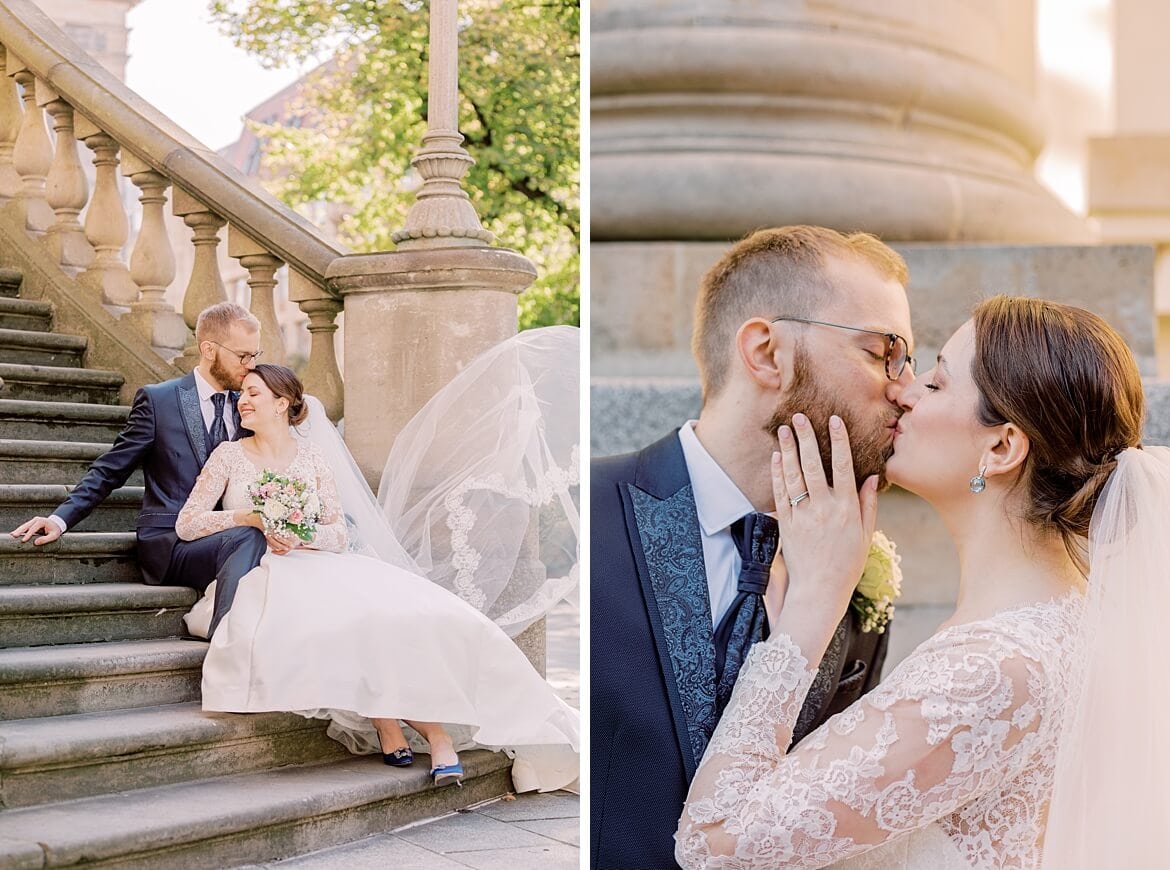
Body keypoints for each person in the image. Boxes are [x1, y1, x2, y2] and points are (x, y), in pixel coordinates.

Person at [676, 296, 1168, 868]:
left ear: (1002, 447)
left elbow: (711, 843)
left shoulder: (991, 672)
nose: (905, 391)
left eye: (936, 383)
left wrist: (813, 601)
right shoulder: (1068, 625)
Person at [591, 226, 914, 869]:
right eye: (884, 352)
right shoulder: (589, 511)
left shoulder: (857, 578)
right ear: (767, 352)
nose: (905, 389)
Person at [175, 346, 580, 792]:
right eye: (241, 395)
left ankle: (389, 722)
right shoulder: (229, 457)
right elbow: (188, 524)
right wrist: (250, 519)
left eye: (252, 393)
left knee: (398, 616)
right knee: (351, 622)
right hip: (264, 571)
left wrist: (299, 533)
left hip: (321, 562)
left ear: (282, 403)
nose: (242, 401)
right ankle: (435, 735)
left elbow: (337, 533)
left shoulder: (311, 458)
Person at [9, 302, 270, 637]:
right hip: (173, 541)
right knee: (250, 536)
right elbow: (111, 470)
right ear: (208, 349)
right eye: (242, 356)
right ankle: (229, 649)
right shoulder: (159, 401)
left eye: (255, 356)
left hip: (227, 535)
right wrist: (60, 518)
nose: (250, 367)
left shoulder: (249, 404)